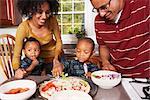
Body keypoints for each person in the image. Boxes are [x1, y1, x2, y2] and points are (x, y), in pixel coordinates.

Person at [90, 0, 149, 78]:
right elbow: (103, 46)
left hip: (145, 79)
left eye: (104, 7)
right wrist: (105, 62)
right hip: (117, 77)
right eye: (97, 10)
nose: (101, 14)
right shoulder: (98, 21)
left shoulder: (145, 6)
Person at [12, 0, 63, 75]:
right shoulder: (23, 27)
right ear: (30, 10)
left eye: (47, 12)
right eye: (40, 12)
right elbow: (17, 54)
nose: (44, 16)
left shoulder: (52, 21)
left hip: (56, 58)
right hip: (37, 63)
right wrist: (17, 69)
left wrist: (56, 59)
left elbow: (59, 41)